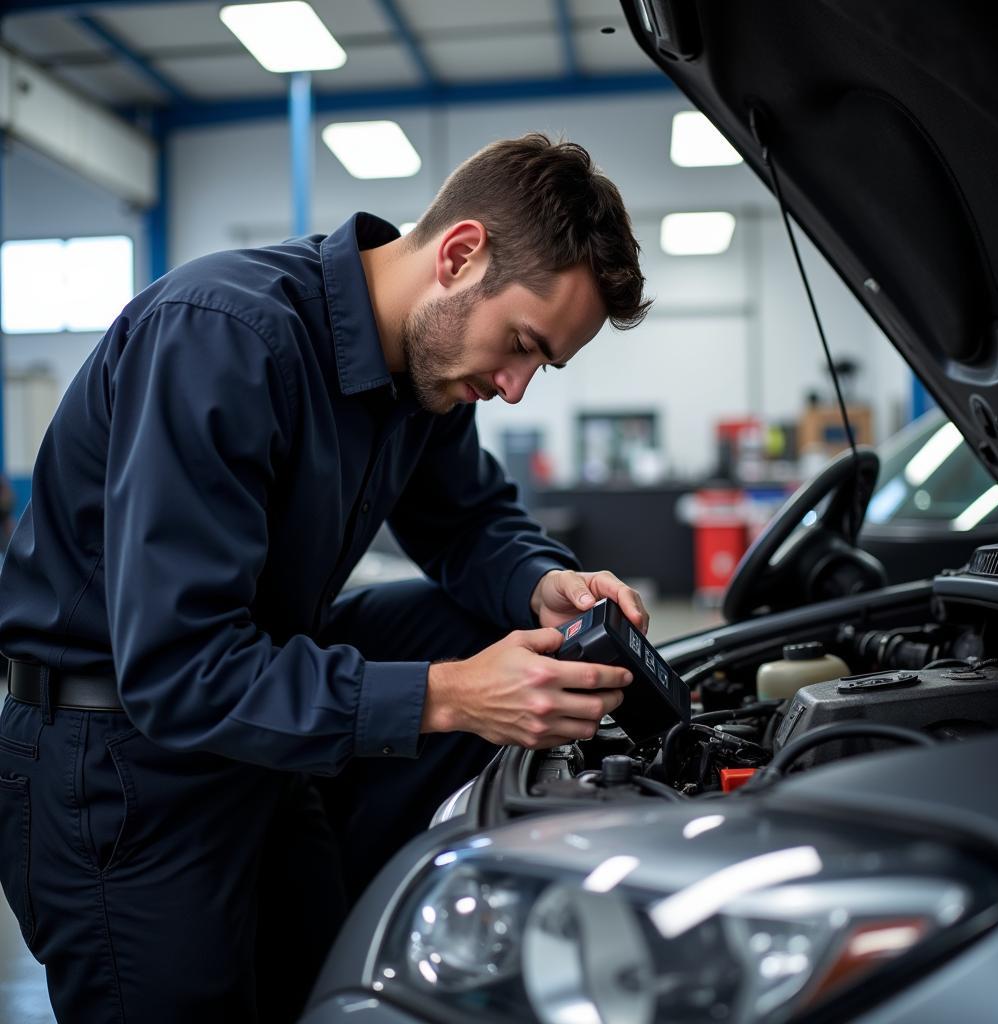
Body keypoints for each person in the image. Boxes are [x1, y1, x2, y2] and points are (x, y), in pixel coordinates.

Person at [0, 134, 652, 1023]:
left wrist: (545, 584)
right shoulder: (222, 338)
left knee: (322, 991)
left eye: (543, 365)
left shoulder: (422, 372)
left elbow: (467, 522)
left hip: (252, 735)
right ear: (460, 256)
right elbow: (178, 667)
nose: (514, 389)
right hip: (115, 762)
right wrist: (449, 696)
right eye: (522, 345)